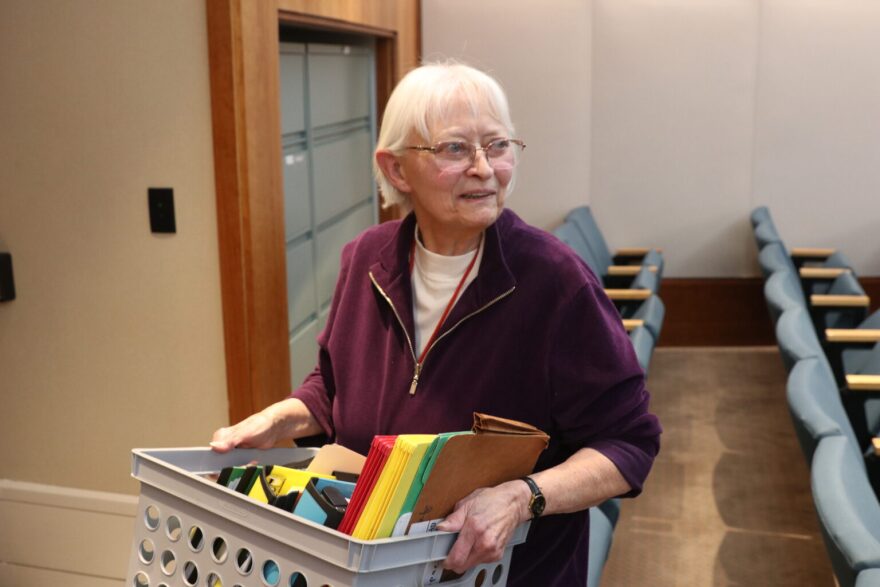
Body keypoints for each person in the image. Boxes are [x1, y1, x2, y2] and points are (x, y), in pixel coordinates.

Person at [211, 62, 661, 586]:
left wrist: (522, 497)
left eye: (497, 146)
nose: (484, 168)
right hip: (370, 568)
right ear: (397, 169)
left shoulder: (556, 282)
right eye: (454, 149)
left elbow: (627, 444)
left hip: (507, 574)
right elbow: (332, 388)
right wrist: (279, 421)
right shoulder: (366, 259)